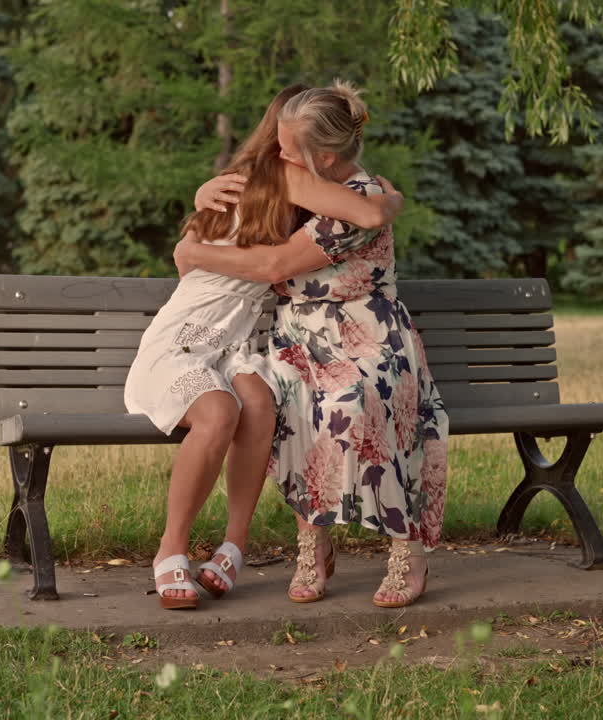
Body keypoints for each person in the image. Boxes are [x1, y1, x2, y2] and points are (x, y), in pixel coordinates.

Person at [127, 84, 405, 610]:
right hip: (187, 342)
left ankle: (233, 546)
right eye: (280, 136)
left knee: (258, 403)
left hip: (236, 346)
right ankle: (172, 549)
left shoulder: (291, 185)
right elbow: (366, 214)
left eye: (292, 141)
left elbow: (362, 209)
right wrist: (391, 200)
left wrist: (389, 197)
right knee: (219, 412)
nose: (282, 151)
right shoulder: (277, 176)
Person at [179, 80, 448, 609]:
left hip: (371, 339)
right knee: (284, 396)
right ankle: (315, 541)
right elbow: (248, 190)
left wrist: (192, 253)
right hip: (299, 336)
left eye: (287, 148)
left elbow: (275, 265)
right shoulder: (300, 184)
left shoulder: (359, 202)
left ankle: (408, 547)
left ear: (323, 155)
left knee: (350, 399)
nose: (276, 156)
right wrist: (204, 192)